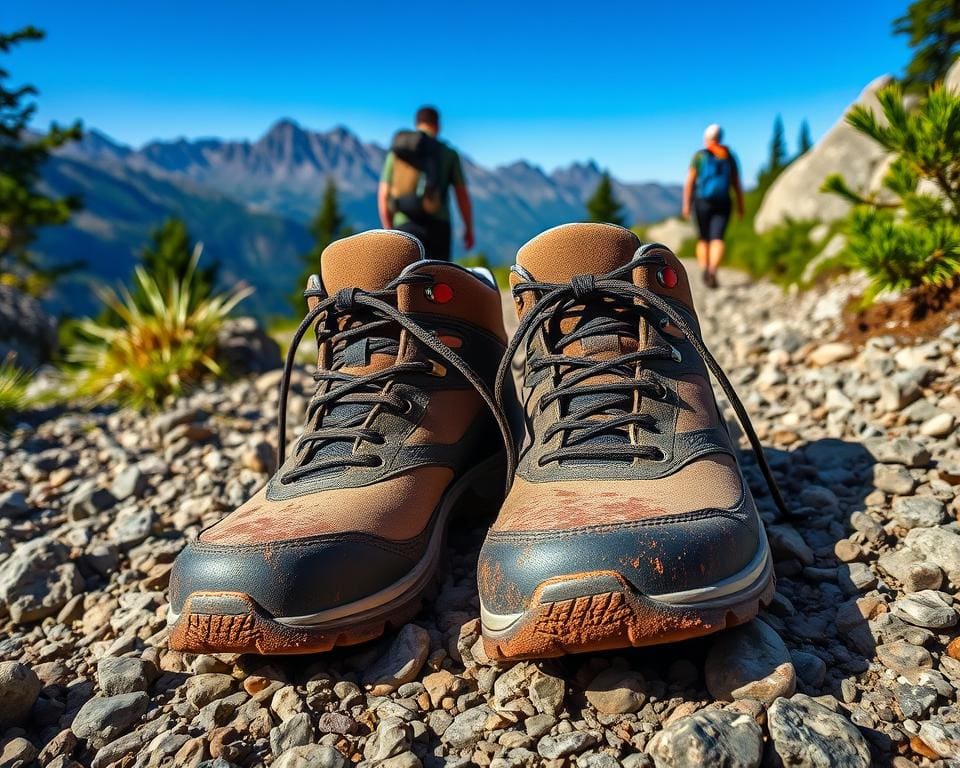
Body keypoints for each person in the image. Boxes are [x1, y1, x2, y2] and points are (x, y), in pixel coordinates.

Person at [378, 106, 474, 261]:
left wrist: (389, 229)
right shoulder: (448, 153)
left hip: (404, 224)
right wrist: (468, 227)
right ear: (437, 125)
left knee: (406, 280)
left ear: (417, 124)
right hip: (438, 226)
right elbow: (461, 195)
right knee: (438, 280)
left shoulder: (397, 153)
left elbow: (383, 195)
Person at [682, 124, 744, 288]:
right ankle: (712, 270)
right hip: (723, 201)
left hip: (702, 201)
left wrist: (687, 205)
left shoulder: (700, 156)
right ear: (720, 137)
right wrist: (740, 205)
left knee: (703, 239)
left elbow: (690, 182)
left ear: (706, 139)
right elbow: (736, 183)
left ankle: (704, 268)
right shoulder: (729, 156)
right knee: (718, 238)